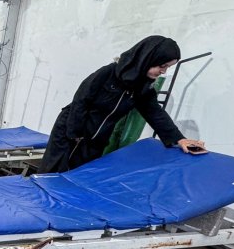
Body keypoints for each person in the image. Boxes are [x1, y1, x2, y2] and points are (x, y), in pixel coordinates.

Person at [37, 35, 207, 174]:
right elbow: (81, 101)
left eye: (167, 68)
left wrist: (180, 139)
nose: (164, 72)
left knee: (79, 176)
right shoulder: (108, 73)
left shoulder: (143, 88)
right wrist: (75, 134)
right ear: (147, 59)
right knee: (52, 174)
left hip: (97, 139)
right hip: (70, 131)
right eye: (162, 66)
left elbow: (156, 114)